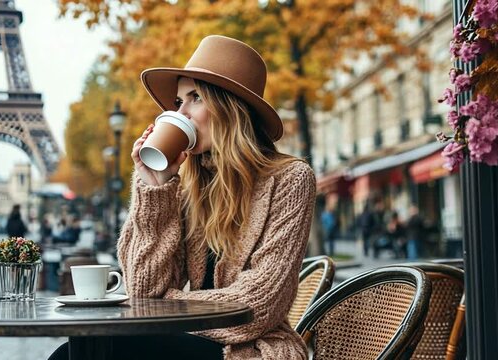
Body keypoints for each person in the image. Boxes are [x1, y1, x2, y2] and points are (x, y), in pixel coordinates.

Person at [49, 35, 316, 360]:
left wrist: (169, 304)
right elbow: (144, 293)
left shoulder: (290, 180)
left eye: (195, 98)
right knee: (76, 351)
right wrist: (155, 188)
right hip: (189, 342)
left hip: (252, 351)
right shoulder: (187, 185)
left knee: (96, 351)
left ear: (229, 108)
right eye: (178, 102)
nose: (182, 112)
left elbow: (255, 308)